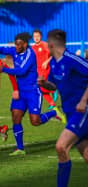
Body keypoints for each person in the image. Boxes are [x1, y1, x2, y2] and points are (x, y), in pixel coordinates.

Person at [0, 32, 66, 156]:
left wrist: (3, 69)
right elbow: (3, 49)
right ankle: (20, 148)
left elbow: (21, 71)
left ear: (25, 44)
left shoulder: (30, 54)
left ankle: (54, 112)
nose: (16, 47)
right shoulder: (15, 50)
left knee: (35, 121)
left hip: (33, 92)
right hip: (21, 93)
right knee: (16, 117)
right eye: (15, 44)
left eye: (19, 45)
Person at [38, 29, 88, 187]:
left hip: (83, 112)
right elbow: (54, 85)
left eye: (47, 44)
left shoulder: (72, 60)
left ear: (51, 44)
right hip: (71, 113)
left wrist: (83, 101)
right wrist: (45, 84)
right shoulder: (54, 63)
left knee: (61, 146)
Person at [32, 29, 58, 109]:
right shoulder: (32, 47)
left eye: (38, 36)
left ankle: (53, 90)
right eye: (35, 36)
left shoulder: (44, 45)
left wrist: (47, 61)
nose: (36, 38)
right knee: (41, 88)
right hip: (37, 70)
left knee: (41, 85)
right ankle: (52, 103)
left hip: (45, 69)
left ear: (41, 37)